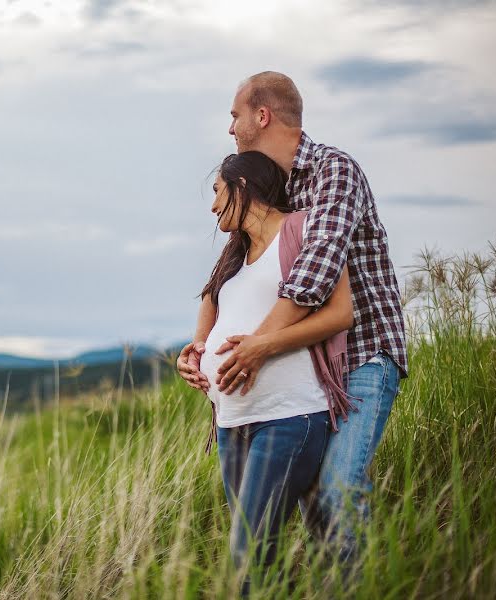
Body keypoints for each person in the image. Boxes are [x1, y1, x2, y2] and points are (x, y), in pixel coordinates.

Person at [178, 71, 408, 568]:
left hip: (363, 356)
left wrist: (248, 350)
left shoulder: (334, 171)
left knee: (339, 491)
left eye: (235, 116)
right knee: (314, 511)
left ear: (262, 116)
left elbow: (315, 275)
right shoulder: (271, 191)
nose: (231, 129)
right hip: (311, 366)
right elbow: (231, 279)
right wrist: (203, 346)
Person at [194, 151, 355, 594]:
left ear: (241, 186)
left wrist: (262, 347)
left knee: (248, 556)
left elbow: (342, 314)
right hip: (232, 424)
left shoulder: (302, 230)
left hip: (289, 417)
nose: (212, 207)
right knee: (258, 557)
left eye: (217, 192)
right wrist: (192, 357)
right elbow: (203, 333)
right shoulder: (234, 256)